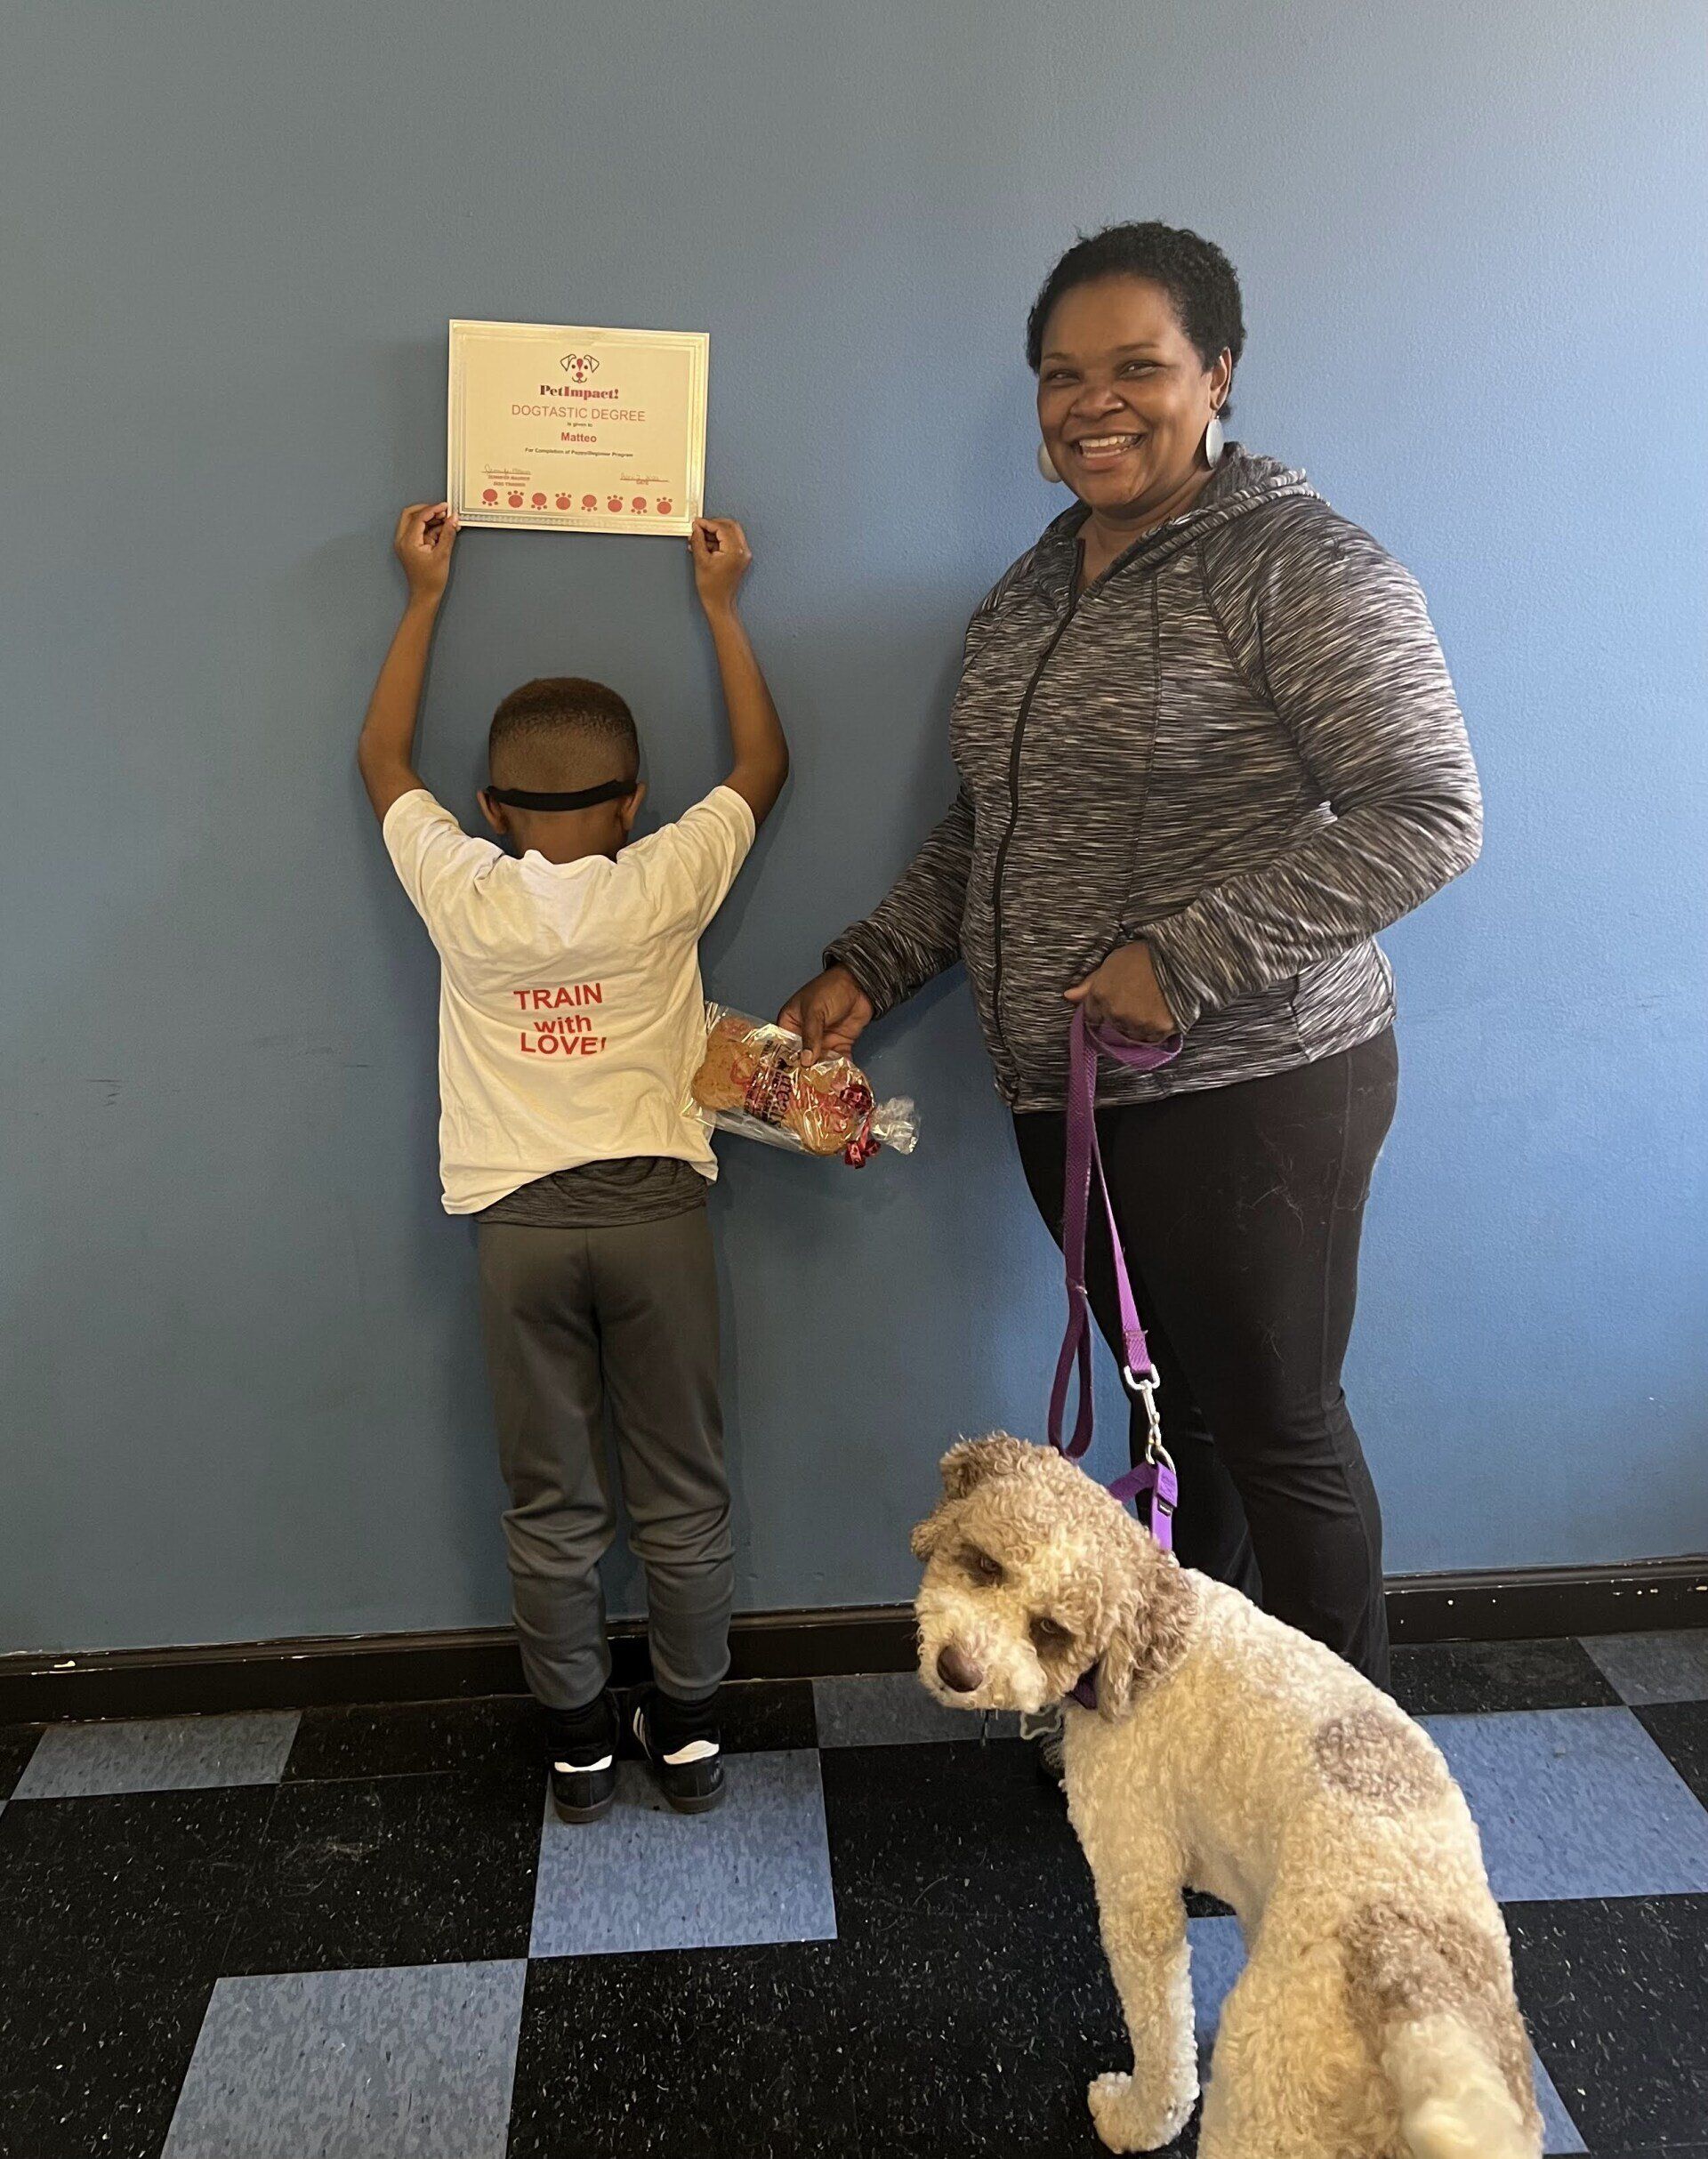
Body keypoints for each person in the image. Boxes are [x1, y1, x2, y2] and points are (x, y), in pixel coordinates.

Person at [782, 222, 1481, 1723]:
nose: (1093, 403)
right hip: (1072, 1095)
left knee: (1276, 1430)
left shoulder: (1298, 564)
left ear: (1216, 375)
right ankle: (1181, 1723)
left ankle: (1337, 1791)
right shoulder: (1035, 590)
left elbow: (1432, 813)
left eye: (1136, 369)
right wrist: (872, 963)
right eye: (1061, 375)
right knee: (1187, 1437)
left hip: (1258, 1089)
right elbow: (994, 822)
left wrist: (1187, 956)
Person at [359, 502, 787, 1820]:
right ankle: (694, 1728)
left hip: (518, 1231)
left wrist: (422, 594)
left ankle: (577, 1744)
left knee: (549, 1497)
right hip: (659, 1214)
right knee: (683, 1483)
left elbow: (379, 756)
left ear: (487, 807)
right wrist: (722, 608)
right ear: (636, 800)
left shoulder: (464, 889)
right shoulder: (664, 878)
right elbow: (767, 764)